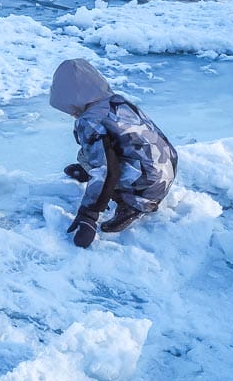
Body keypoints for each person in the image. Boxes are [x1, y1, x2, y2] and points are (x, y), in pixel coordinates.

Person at [49, 58, 178, 248]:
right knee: (88, 155)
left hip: (145, 187)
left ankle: (132, 205)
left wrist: (89, 215)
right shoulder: (117, 102)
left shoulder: (90, 121)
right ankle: (130, 190)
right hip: (165, 171)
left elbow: (107, 170)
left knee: (93, 160)